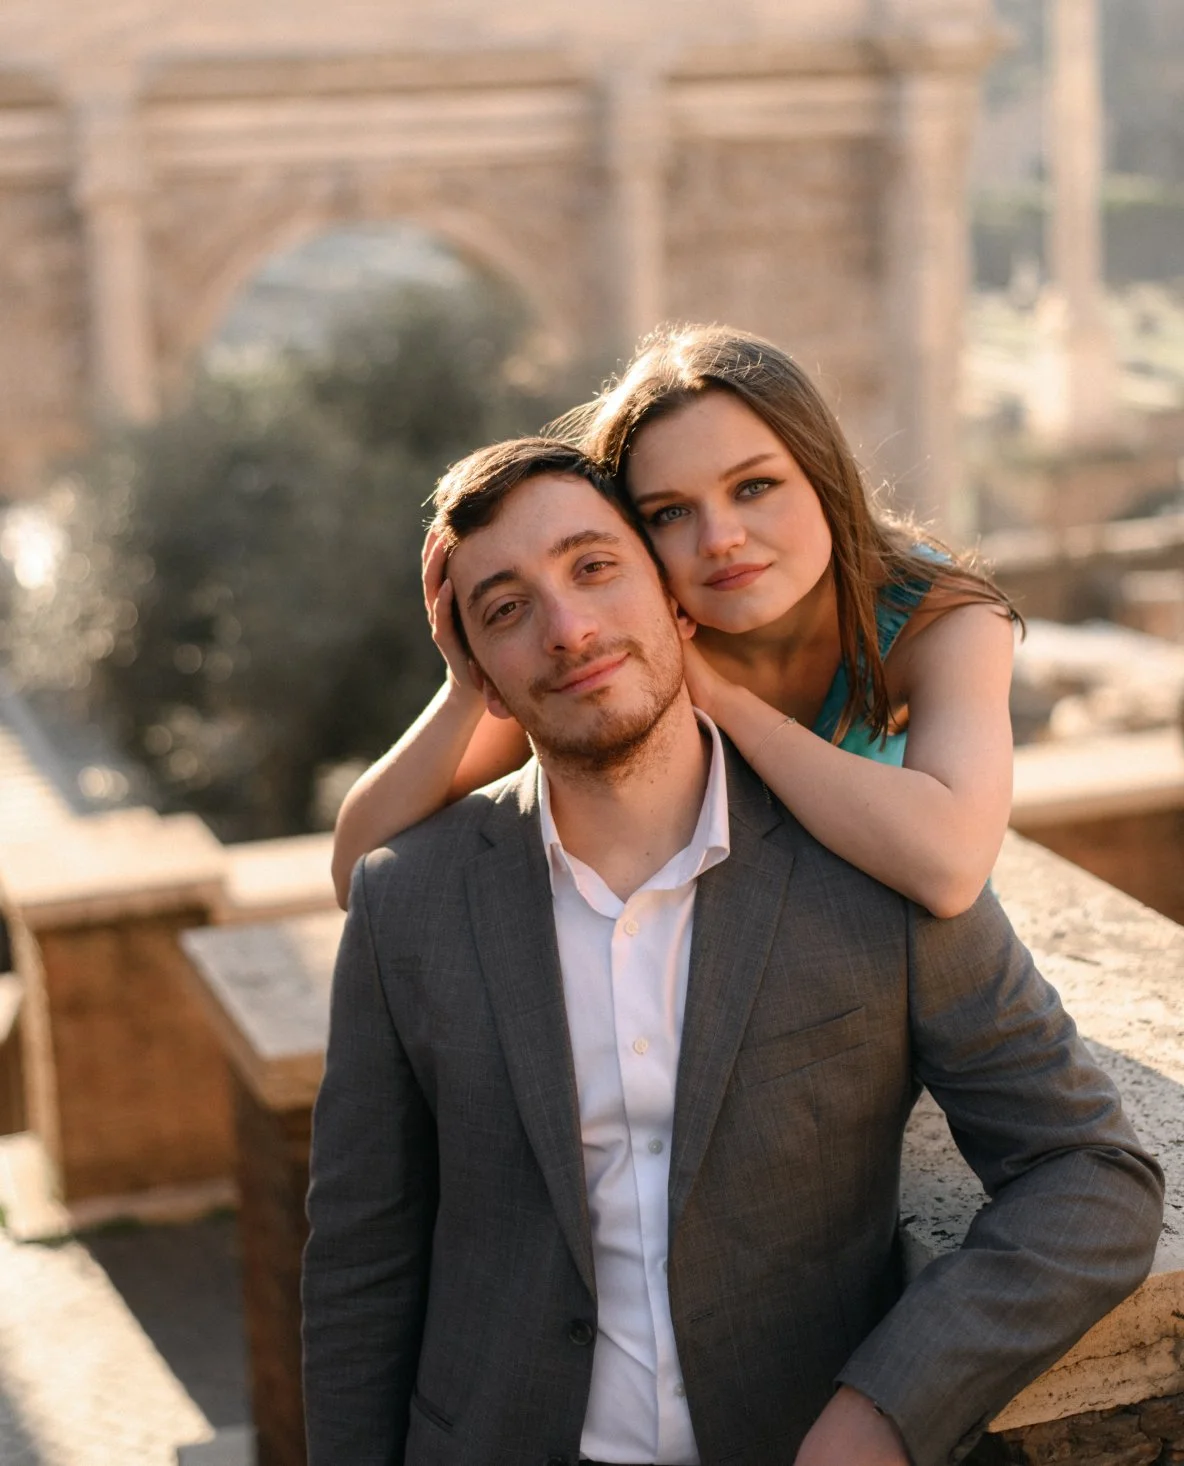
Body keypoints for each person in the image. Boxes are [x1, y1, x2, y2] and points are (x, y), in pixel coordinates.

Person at [302, 437, 1163, 1466]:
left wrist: (886, 1403)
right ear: (480, 674)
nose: (567, 628)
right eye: (506, 608)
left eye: (591, 566)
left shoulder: (870, 870)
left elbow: (1089, 1170)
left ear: (674, 602)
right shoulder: (410, 902)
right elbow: (360, 1263)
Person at [331, 325, 1017, 918]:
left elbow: (952, 869)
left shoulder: (941, 614)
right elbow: (358, 870)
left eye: (754, 487)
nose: (720, 538)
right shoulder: (626, 642)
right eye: (669, 513)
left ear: (824, 474)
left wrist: (722, 700)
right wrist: (464, 684)